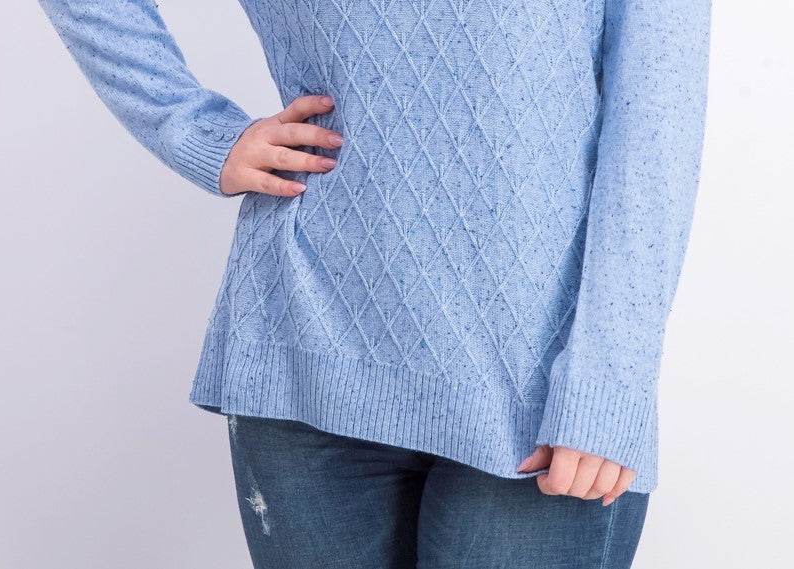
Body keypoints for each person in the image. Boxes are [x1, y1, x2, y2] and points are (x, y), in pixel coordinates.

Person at [37, 1, 711, 567]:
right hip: (302, 353)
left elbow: (657, 119)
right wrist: (192, 130)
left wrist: (608, 381)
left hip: (539, 397)